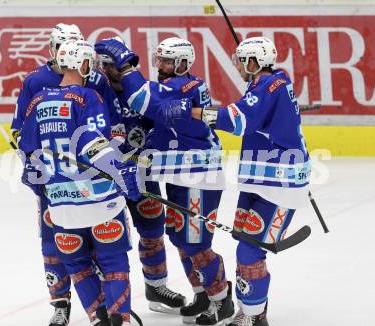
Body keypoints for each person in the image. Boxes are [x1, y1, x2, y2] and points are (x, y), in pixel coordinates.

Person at [95, 37, 234, 326]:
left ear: (184, 63)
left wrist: (127, 65)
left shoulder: (186, 87)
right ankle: (203, 294)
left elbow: (150, 104)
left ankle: (222, 299)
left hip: (199, 173)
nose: (162, 66)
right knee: (180, 238)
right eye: (160, 60)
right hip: (174, 173)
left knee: (194, 243)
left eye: (169, 61)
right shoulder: (147, 88)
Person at [176, 36, 311, 326]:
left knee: (248, 251)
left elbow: (235, 121)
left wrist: (191, 112)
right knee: (244, 243)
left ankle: (251, 317)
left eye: (241, 60)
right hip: (260, 180)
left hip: (280, 183)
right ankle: (255, 311)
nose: (237, 65)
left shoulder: (267, 86)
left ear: (254, 62)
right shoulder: (272, 81)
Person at [19, 38, 142, 326]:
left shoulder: (38, 102)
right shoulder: (89, 98)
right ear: (83, 64)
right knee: (113, 263)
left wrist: (41, 184)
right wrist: (121, 171)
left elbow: (29, 156)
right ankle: (119, 319)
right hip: (99, 201)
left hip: (61, 205)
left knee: (77, 265)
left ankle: (97, 319)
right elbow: (92, 145)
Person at [98, 52, 186, 314]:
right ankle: (106, 298)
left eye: (124, 63)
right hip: (107, 175)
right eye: (113, 64)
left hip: (141, 172)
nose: (121, 68)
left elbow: (157, 122)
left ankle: (156, 286)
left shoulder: (139, 88)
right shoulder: (95, 92)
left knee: (153, 230)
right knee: (106, 238)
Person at [11, 23, 85, 326]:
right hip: (52, 179)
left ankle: (104, 301)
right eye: (60, 48)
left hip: (88, 179)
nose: (66, 55)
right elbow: (20, 129)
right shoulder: (35, 82)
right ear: (52, 48)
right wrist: (32, 161)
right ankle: (60, 302)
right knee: (54, 239)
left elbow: (110, 124)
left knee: (98, 238)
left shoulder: (92, 80)